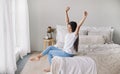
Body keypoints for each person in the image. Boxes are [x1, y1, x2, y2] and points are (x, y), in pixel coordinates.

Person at [30, 6, 88, 72]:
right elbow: (67, 21)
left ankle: (51, 67)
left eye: (70, 28)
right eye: (68, 27)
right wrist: (66, 12)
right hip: (64, 51)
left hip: (67, 53)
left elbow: (79, 26)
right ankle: (38, 56)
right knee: (50, 47)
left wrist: (84, 17)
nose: (68, 29)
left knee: (50, 53)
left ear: (73, 28)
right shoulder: (69, 33)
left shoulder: (74, 35)